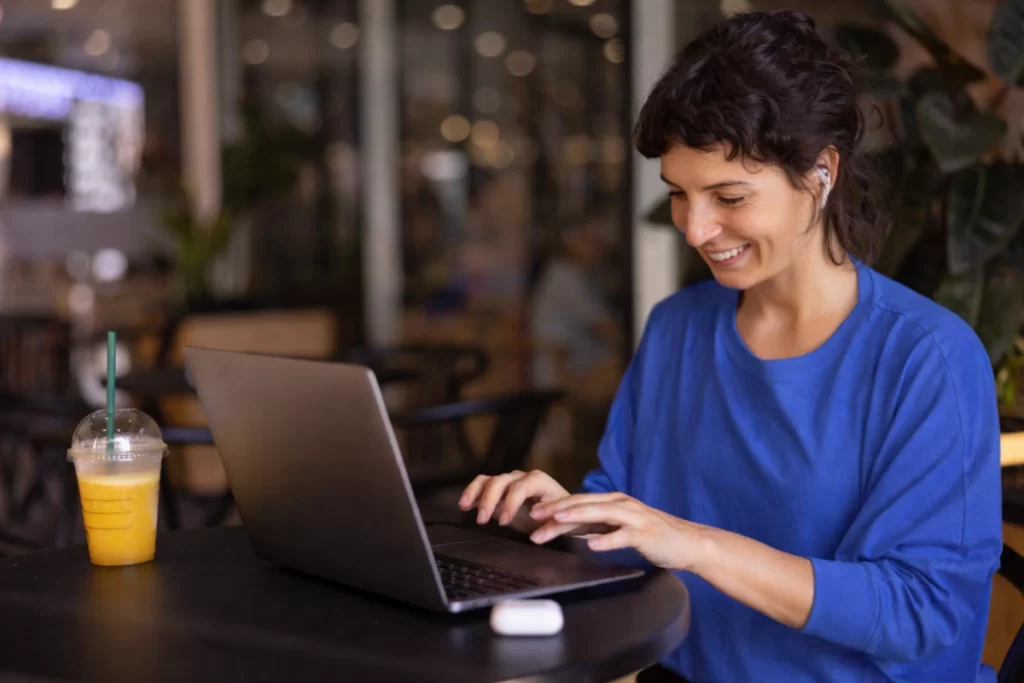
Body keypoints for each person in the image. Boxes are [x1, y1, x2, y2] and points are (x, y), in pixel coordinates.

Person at [459, 10, 1002, 682]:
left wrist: (694, 543)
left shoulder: (927, 359)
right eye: (680, 194)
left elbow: (925, 611)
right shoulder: (677, 328)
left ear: (821, 173)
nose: (696, 227)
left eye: (729, 195)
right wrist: (563, 515)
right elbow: (632, 529)